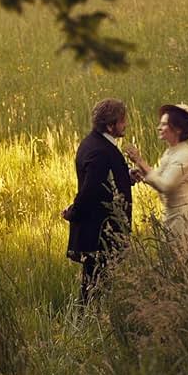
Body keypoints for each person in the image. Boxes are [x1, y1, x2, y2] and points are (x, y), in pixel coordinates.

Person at [124, 104, 188, 263]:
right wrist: (141, 172)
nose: (159, 127)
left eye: (164, 124)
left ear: (178, 129)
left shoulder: (185, 155)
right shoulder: (171, 151)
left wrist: (140, 161)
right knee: (177, 262)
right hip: (174, 214)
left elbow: (166, 186)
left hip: (187, 217)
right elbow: (159, 176)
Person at [64, 98, 137, 305]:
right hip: (100, 232)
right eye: (122, 121)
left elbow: (105, 182)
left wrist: (127, 177)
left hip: (100, 230)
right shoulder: (101, 151)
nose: (126, 125)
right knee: (94, 286)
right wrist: (72, 213)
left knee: (95, 284)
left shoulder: (94, 143)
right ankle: (87, 326)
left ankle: (89, 324)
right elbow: (90, 191)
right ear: (110, 126)